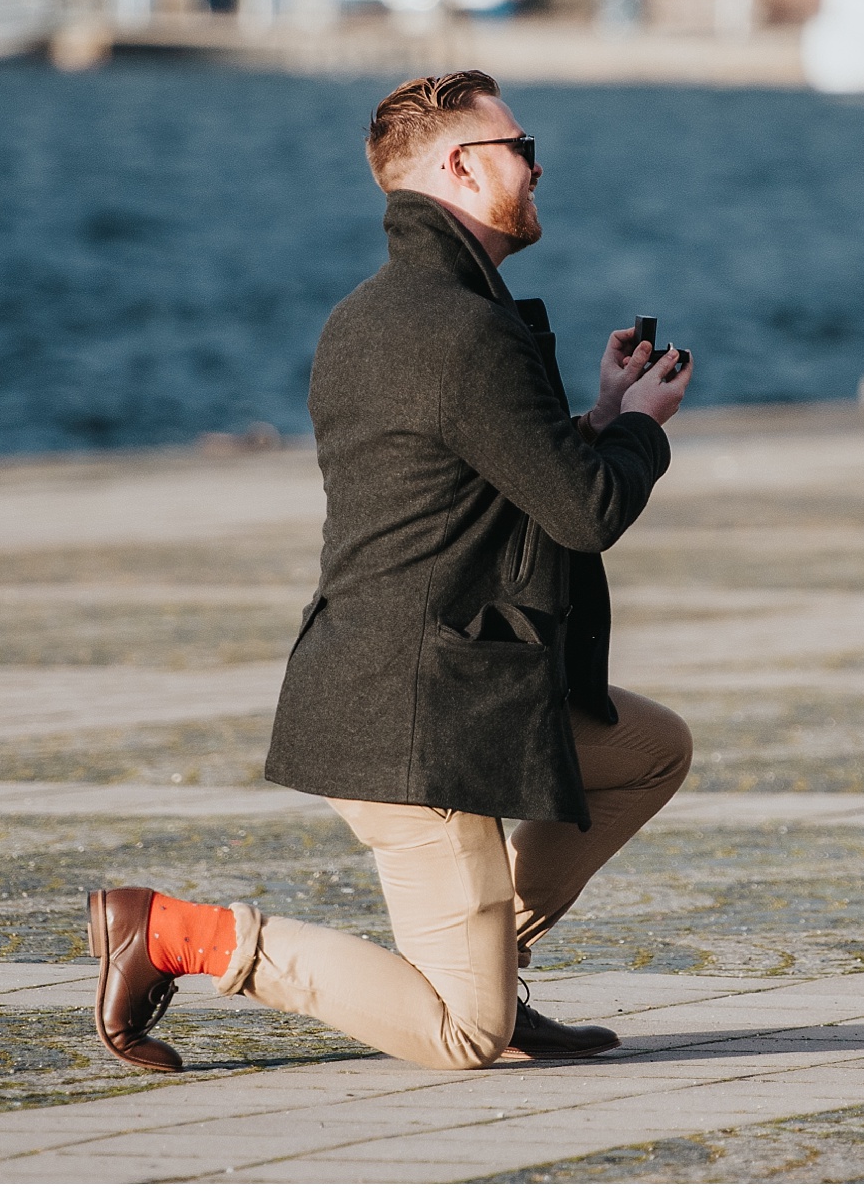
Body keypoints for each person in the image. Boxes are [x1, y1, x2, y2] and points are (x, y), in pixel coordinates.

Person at [89, 70, 695, 1073]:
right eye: (519, 147)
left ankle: (488, 961)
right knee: (464, 1037)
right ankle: (171, 935)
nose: (538, 164)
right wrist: (637, 434)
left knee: (648, 749)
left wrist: (593, 421)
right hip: (425, 715)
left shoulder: (395, 311)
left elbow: (502, 482)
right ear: (459, 167)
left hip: (434, 680)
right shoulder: (459, 329)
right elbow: (585, 513)